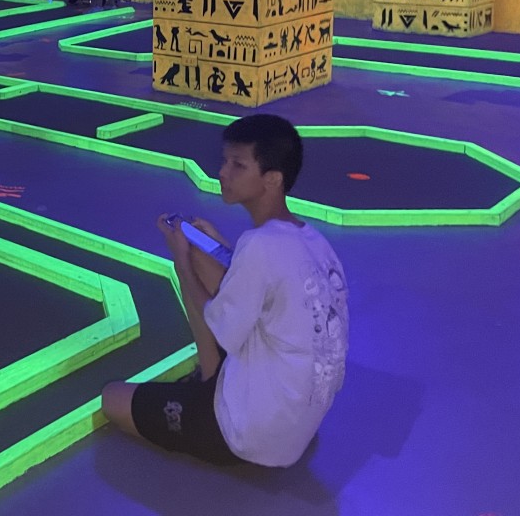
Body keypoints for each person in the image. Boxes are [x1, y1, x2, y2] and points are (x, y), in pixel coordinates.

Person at [101, 115, 349, 468]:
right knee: (205, 256)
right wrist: (217, 247)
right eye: (225, 161)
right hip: (299, 421)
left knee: (112, 398)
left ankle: (206, 392)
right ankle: (210, 382)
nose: (223, 172)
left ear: (272, 179)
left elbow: (216, 328)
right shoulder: (312, 241)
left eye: (238, 165)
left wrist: (181, 260)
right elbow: (263, 280)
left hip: (249, 435)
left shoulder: (259, 245)